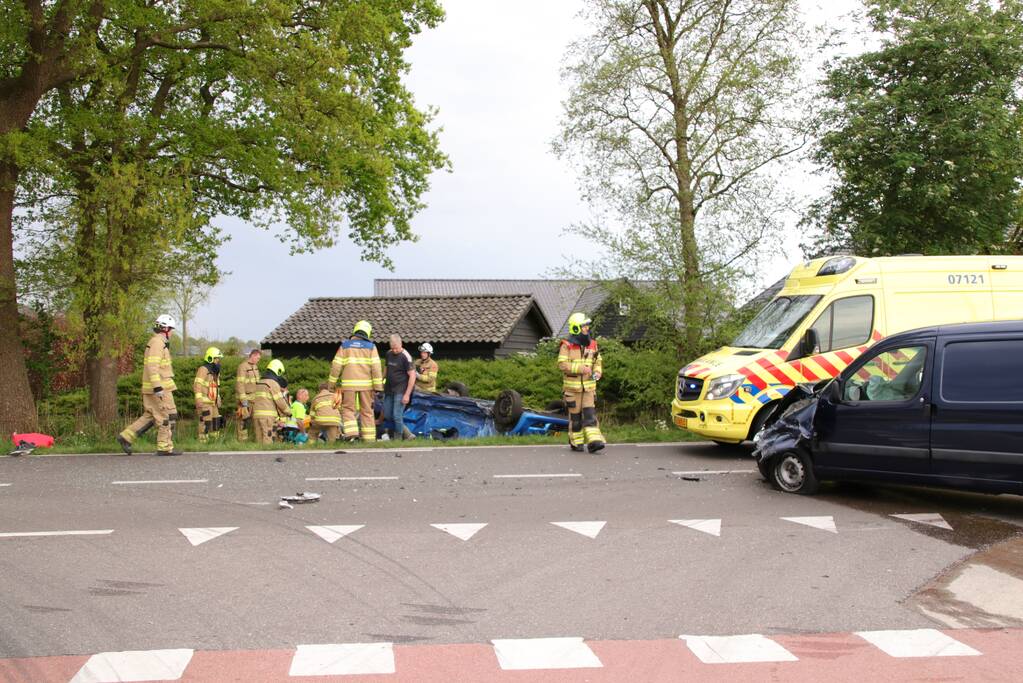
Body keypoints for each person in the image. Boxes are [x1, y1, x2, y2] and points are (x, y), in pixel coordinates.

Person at [117, 314, 181, 456]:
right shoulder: (158, 343)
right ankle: (164, 447)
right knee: (166, 416)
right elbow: (153, 366)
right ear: (164, 328)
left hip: (158, 388)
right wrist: (158, 387)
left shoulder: (157, 342)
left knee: (152, 415)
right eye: (170, 329)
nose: (171, 332)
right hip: (159, 389)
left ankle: (126, 437)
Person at [327, 320, 384, 442]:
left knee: (348, 409)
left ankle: (352, 433)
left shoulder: (345, 345)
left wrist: (331, 385)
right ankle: (369, 440)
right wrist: (378, 387)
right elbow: (376, 367)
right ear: (367, 332)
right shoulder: (371, 347)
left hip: (348, 385)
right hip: (366, 386)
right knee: (367, 411)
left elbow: (336, 366)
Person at [558, 312, 605, 453]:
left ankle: (594, 442)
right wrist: (580, 368)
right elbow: (562, 364)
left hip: (589, 388)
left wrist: (598, 371)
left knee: (590, 415)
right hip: (573, 390)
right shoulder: (566, 345)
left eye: (587, 326)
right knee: (576, 418)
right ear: (576, 328)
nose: (587, 328)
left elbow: (597, 361)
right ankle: (576, 442)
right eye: (584, 326)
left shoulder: (592, 344)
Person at [384, 334, 416, 440]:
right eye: (392, 348)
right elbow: (386, 369)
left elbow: (412, 376)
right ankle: (408, 434)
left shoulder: (406, 357)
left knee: (397, 415)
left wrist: (407, 394)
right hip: (388, 389)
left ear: (401, 344)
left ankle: (398, 438)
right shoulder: (388, 354)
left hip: (401, 390)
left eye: (396, 348)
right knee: (388, 415)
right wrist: (380, 380)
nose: (394, 350)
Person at [251, 359, 291, 444]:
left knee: (259, 440)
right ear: (278, 370)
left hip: (256, 415)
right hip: (268, 417)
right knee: (268, 439)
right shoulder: (273, 383)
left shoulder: (259, 382)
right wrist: (289, 412)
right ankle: (266, 457)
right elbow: (280, 401)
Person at [194, 347, 224, 443]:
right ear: (210, 358)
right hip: (204, 402)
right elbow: (197, 384)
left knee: (216, 421)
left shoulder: (215, 372)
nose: (218, 361)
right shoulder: (203, 369)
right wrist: (198, 399)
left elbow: (216, 386)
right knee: (205, 422)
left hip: (213, 402)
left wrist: (218, 398)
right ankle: (203, 442)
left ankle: (214, 442)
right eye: (216, 358)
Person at [235, 348, 261, 441]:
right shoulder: (243, 367)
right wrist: (243, 400)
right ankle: (242, 441)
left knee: (256, 420)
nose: (258, 360)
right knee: (243, 421)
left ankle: (256, 439)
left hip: (254, 398)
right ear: (253, 356)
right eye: (258, 358)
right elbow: (240, 384)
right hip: (245, 398)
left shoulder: (255, 367)